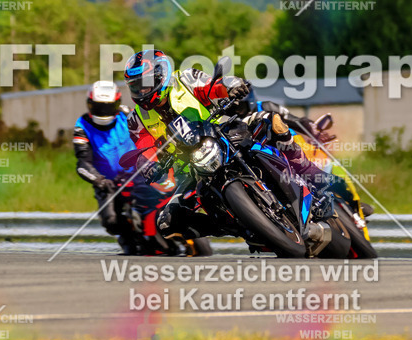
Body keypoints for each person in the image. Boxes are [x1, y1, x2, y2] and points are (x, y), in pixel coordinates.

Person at [122, 49, 336, 242]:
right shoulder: (135, 120)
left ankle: (311, 175)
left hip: (221, 134)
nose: (141, 92)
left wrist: (232, 86)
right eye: (135, 87)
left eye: (145, 84)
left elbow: (213, 86)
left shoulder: (184, 78)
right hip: (189, 170)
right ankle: (240, 227)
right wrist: (147, 164)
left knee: (273, 121)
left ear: (161, 76)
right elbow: (145, 148)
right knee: (167, 223)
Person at [72, 81, 137, 247]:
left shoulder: (128, 114)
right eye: (99, 107)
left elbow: (148, 134)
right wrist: (99, 181)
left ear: (117, 104)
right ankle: (129, 237)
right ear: (90, 105)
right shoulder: (82, 126)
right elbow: (82, 163)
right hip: (108, 182)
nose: (103, 112)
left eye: (108, 107)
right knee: (111, 220)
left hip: (140, 174)